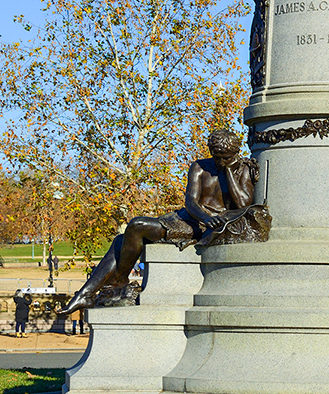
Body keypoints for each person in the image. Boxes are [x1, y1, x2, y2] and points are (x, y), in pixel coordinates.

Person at [59, 129, 269, 315]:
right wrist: (206, 216)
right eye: (217, 157)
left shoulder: (243, 168)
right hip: (193, 219)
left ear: (234, 154)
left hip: (205, 228)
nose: (220, 162)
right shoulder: (199, 167)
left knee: (136, 226)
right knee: (122, 240)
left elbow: (243, 202)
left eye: (225, 157)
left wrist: (229, 171)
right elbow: (190, 202)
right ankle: (89, 293)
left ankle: (111, 284)